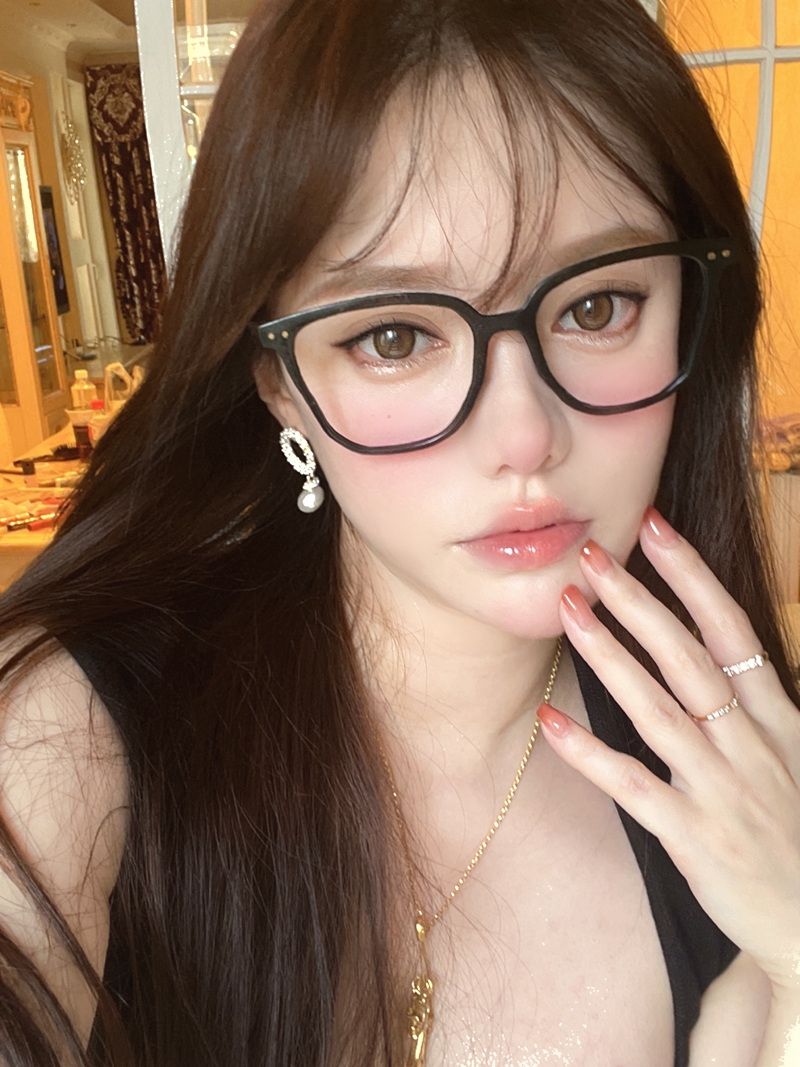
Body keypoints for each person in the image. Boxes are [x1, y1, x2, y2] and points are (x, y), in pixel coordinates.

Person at [0, 0, 798, 1063]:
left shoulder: (749, 799)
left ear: (692, 311)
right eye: (392, 335)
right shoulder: (71, 736)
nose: (523, 435)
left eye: (596, 307)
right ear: (279, 384)